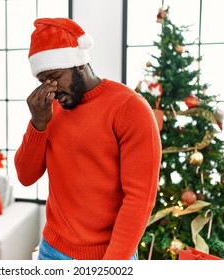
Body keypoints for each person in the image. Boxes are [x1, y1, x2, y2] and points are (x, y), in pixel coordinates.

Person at [14, 18, 162, 260]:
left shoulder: (130, 108)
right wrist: (37, 124)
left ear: (78, 64)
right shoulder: (48, 109)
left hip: (108, 256)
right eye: (43, 81)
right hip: (51, 251)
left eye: (55, 76)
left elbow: (140, 199)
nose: (51, 88)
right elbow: (25, 176)